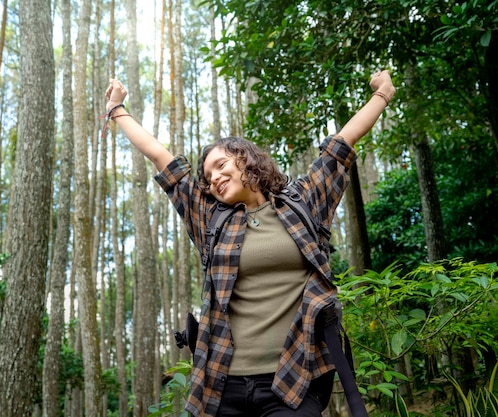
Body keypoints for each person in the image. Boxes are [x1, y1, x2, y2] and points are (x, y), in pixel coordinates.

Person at [105, 71, 395, 417]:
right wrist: (118, 109)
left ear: (247, 160)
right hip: (222, 384)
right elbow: (160, 157)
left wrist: (383, 94)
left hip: (291, 382)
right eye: (209, 178)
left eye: (221, 165)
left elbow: (341, 145)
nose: (214, 179)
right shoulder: (210, 218)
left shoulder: (303, 202)